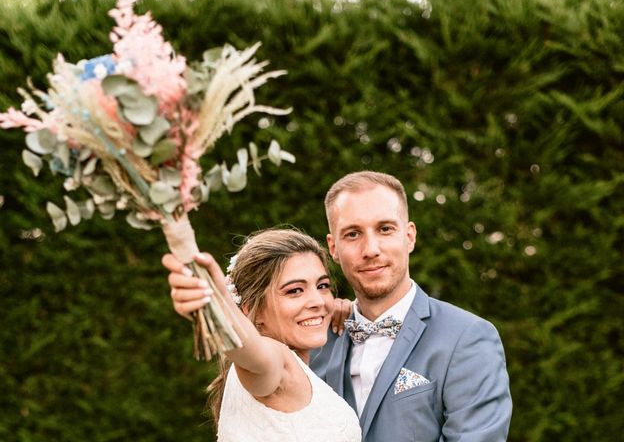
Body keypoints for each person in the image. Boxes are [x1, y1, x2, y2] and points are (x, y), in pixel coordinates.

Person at [167, 171, 512, 441]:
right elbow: (253, 353)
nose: (371, 248)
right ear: (333, 247)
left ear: (409, 236)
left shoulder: (467, 338)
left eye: (385, 229)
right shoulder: (310, 340)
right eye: (353, 234)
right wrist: (218, 307)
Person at [163, 228, 361, 442]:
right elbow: (251, 349)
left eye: (322, 286)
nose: (319, 301)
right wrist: (217, 302)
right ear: (250, 310)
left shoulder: (299, 368)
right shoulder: (275, 361)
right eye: (294, 290)